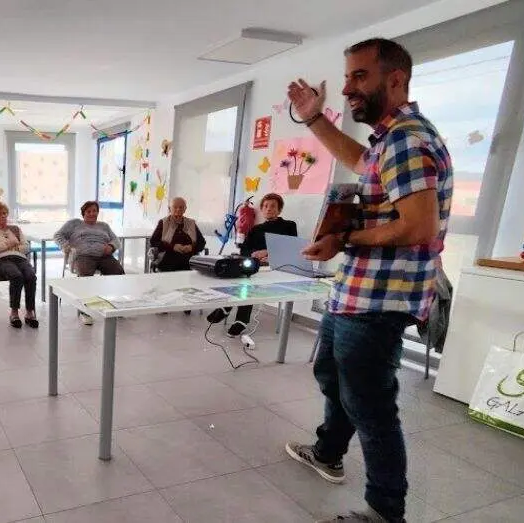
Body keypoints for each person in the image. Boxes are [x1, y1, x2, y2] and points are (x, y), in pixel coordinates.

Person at [284, 38, 453, 523]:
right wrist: (316, 119)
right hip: (357, 289)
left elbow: (417, 225)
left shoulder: (407, 139)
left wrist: (346, 237)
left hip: (380, 298)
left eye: (360, 76)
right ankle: (329, 451)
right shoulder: (389, 137)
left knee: (371, 403)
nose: (347, 87)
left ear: (395, 79)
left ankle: (385, 511)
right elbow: (360, 159)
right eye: (348, 77)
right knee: (332, 375)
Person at [206, 193, 297, 336]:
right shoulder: (256, 229)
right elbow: (245, 250)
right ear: (261, 209)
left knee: (248, 280)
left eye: (273, 206)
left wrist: (267, 253)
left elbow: (292, 247)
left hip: (277, 267)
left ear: (279, 210)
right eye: (265, 206)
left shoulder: (289, 226)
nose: (268, 209)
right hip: (256, 265)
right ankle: (227, 307)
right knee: (237, 272)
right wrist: (254, 254)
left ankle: (240, 319)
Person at [54, 200, 124, 325]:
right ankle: (85, 310)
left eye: (95, 211)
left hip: (104, 256)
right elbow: (58, 235)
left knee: (118, 271)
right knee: (86, 277)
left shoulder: (104, 226)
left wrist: (111, 246)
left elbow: (116, 240)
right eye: (89, 211)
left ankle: (116, 305)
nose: (92, 214)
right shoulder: (74, 224)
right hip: (83, 255)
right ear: (83, 213)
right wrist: (66, 246)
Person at [0, 201, 38, 329]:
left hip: (20, 258)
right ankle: (14, 313)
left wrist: (14, 248)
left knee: (31, 276)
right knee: (16, 276)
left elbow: (26, 247)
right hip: (1, 260)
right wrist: (11, 244)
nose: (3, 216)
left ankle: (29, 312)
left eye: (4, 213)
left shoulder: (16, 229)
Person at [149, 196, 206, 272]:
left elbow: (202, 242)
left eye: (181, 207)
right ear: (170, 209)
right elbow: (153, 242)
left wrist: (192, 247)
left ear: (185, 209)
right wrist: (173, 247)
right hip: (167, 263)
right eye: (175, 207)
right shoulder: (163, 223)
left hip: (189, 264)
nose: (178, 209)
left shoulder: (191, 223)